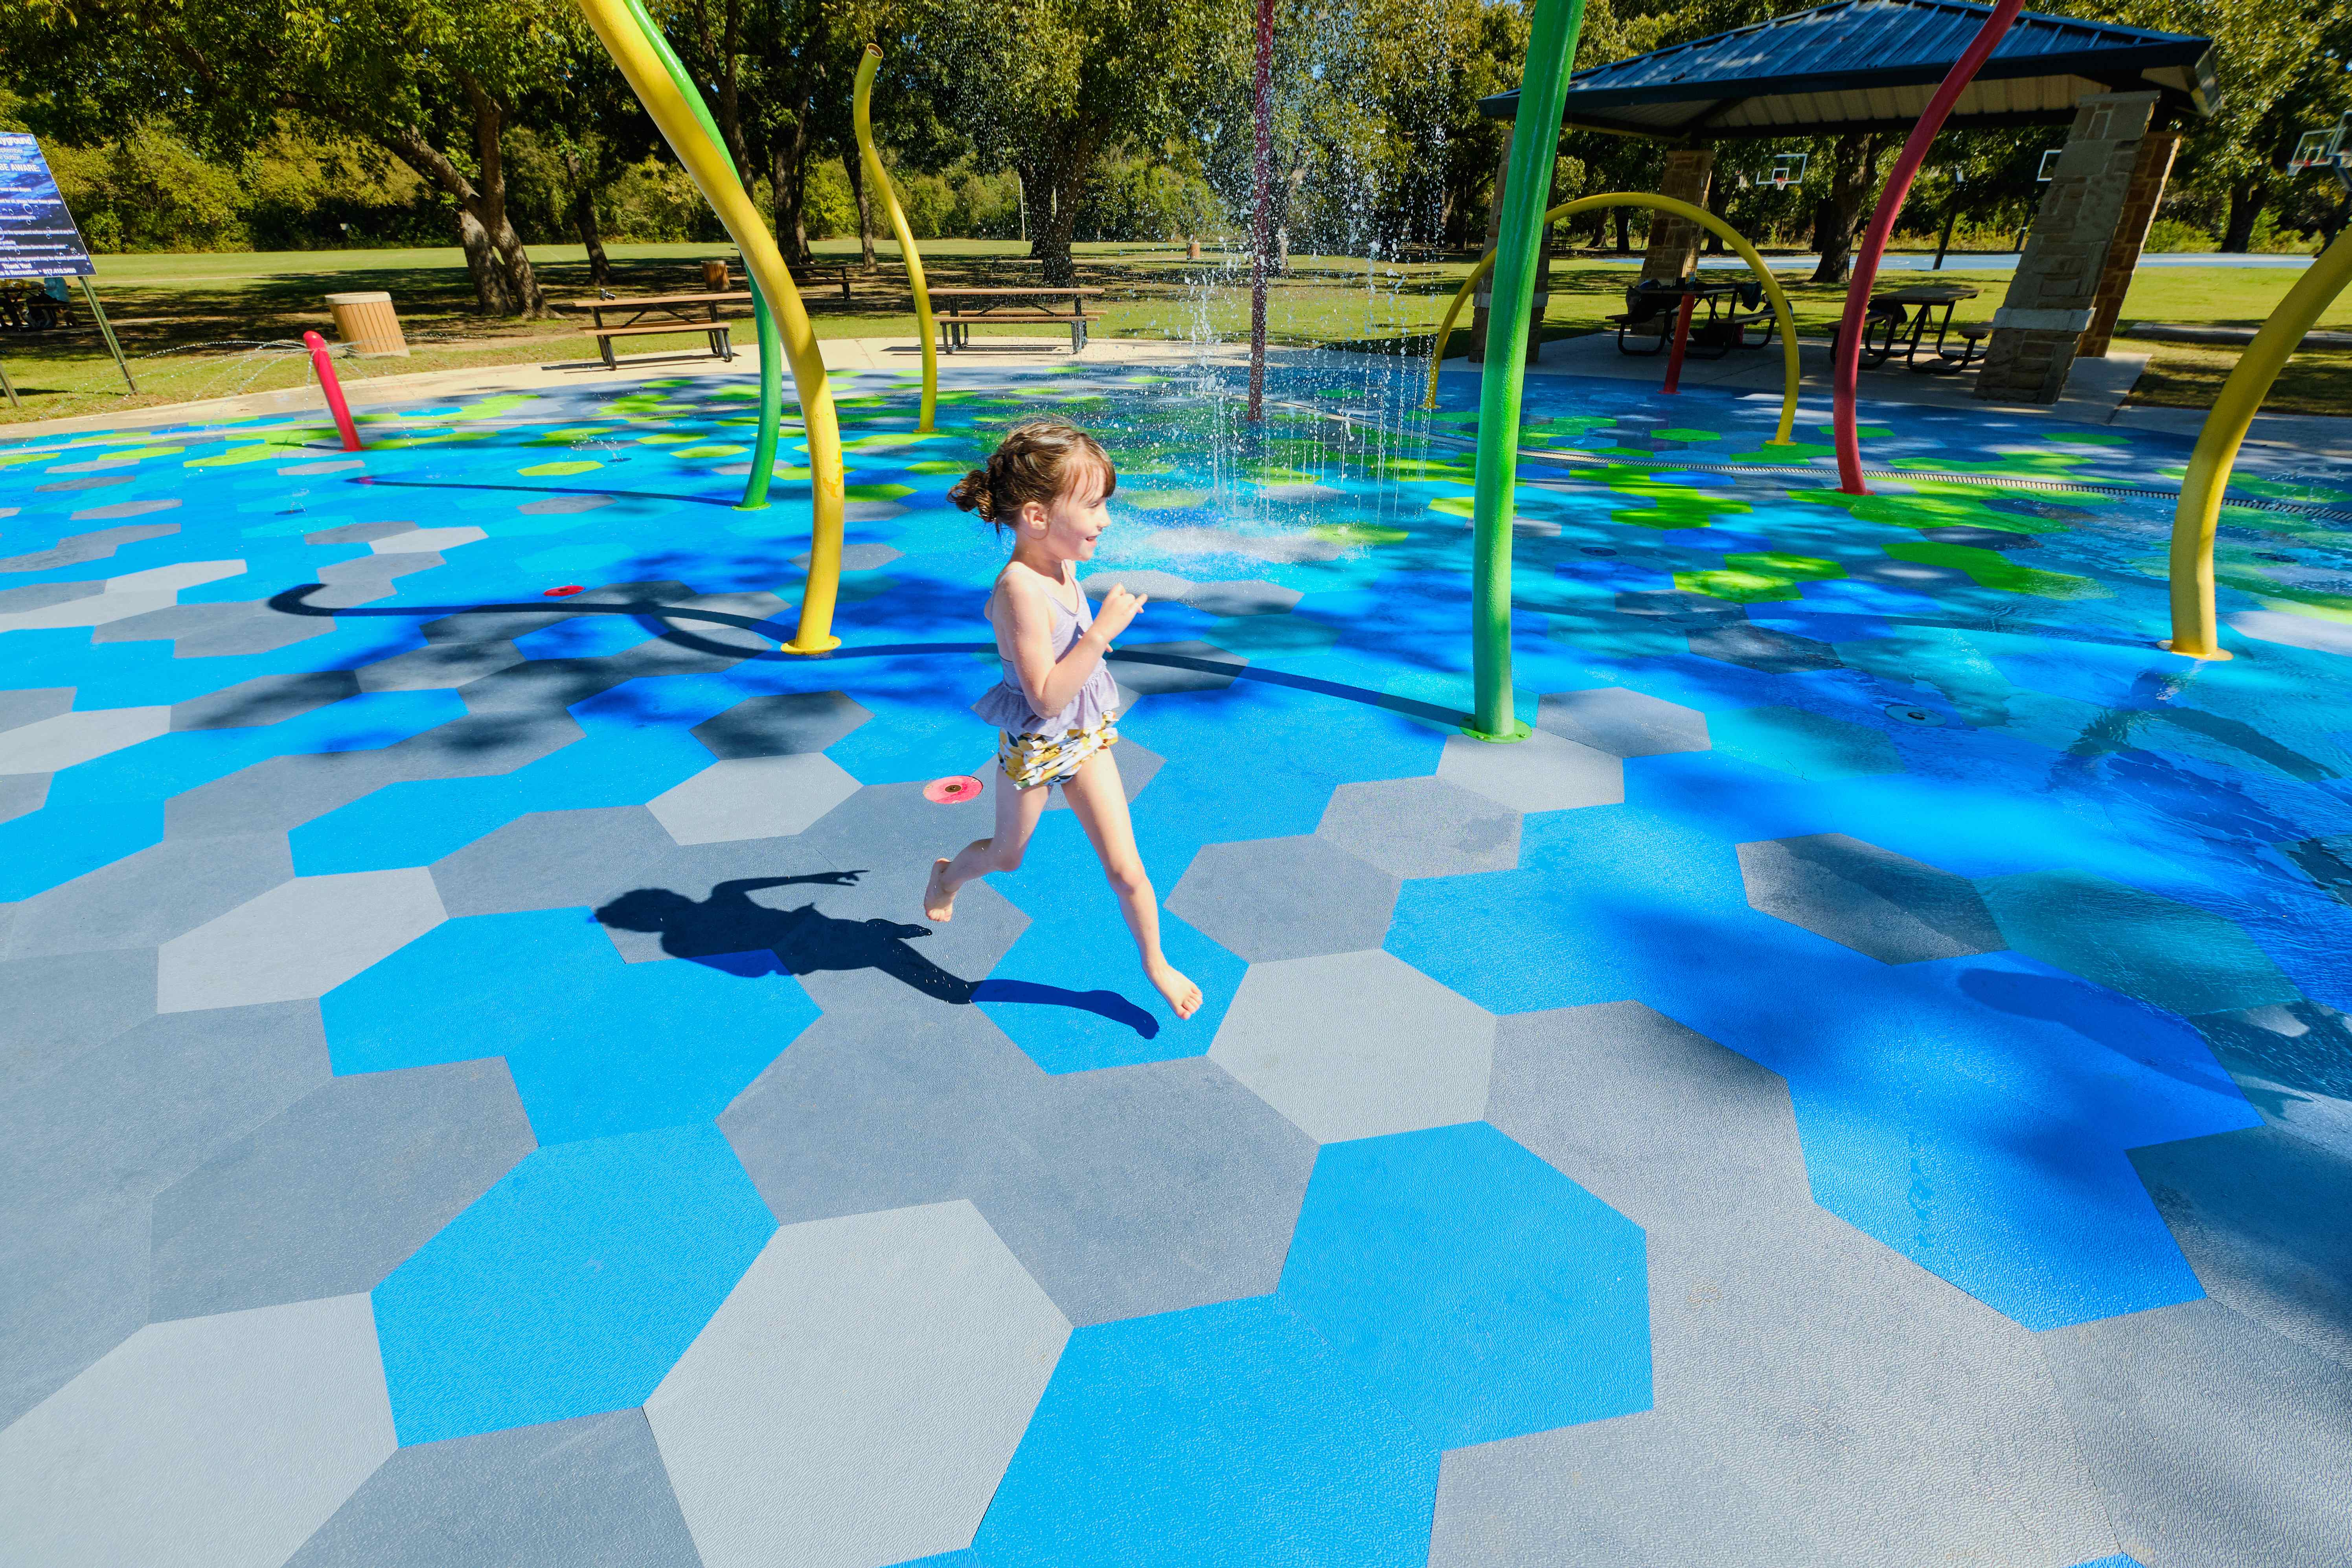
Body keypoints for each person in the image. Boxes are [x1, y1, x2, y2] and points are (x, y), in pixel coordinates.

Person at [923, 421, 1203, 1021]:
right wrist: (1100, 634)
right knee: (1007, 856)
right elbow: (1046, 697)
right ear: (1037, 517)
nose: (1106, 519)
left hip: (1084, 737)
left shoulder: (1061, 562)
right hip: (1035, 745)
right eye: (1094, 505)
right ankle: (947, 877)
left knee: (1127, 868)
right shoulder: (1020, 589)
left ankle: (1156, 962)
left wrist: (1092, 636)